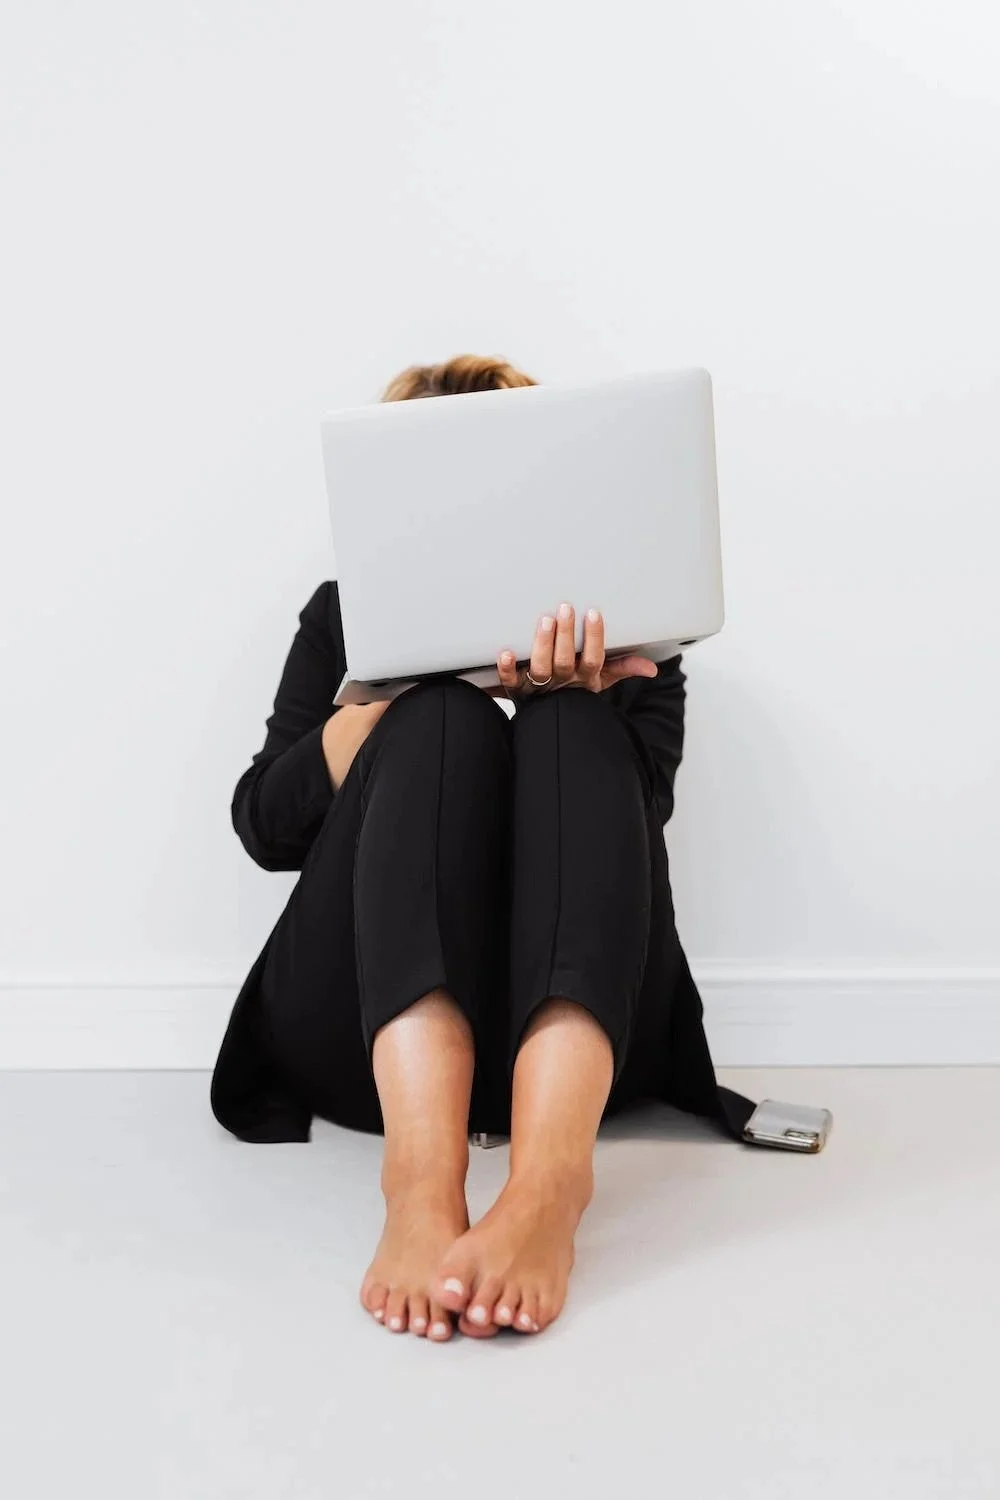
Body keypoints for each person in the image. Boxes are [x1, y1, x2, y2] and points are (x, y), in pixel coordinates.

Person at [211, 353, 736, 1342]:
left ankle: (548, 1186)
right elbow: (264, 826)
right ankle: (419, 1181)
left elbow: (641, 818)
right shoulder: (343, 617)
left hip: (574, 1038)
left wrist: (568, 699)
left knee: (570, 724)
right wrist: (387, 703)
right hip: (361, 1040)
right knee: (437, 718)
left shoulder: (626, 619)